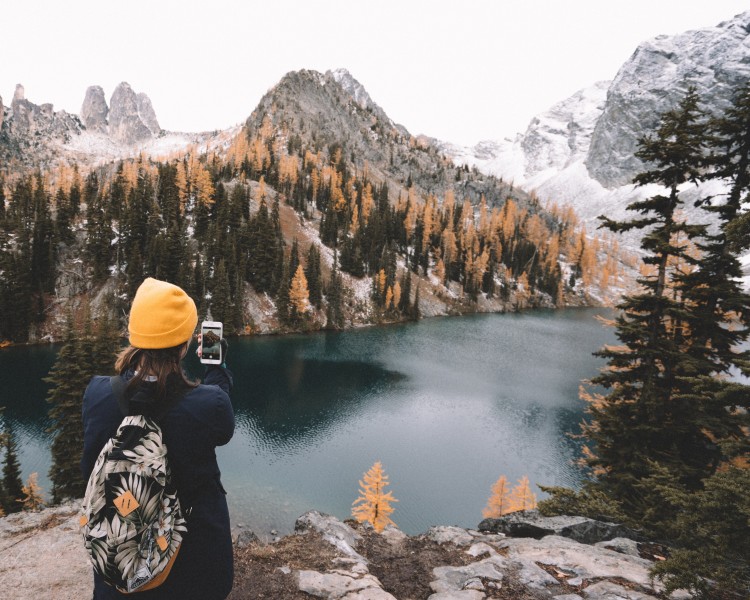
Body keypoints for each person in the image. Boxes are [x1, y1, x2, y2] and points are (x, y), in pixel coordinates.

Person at [81, 277, 235, 599]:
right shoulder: (210, 404)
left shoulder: (97, 394)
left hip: (122, 557)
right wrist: (216, 367)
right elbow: (222, 426)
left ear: (134, 336)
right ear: (184, 346)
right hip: (194, 560)